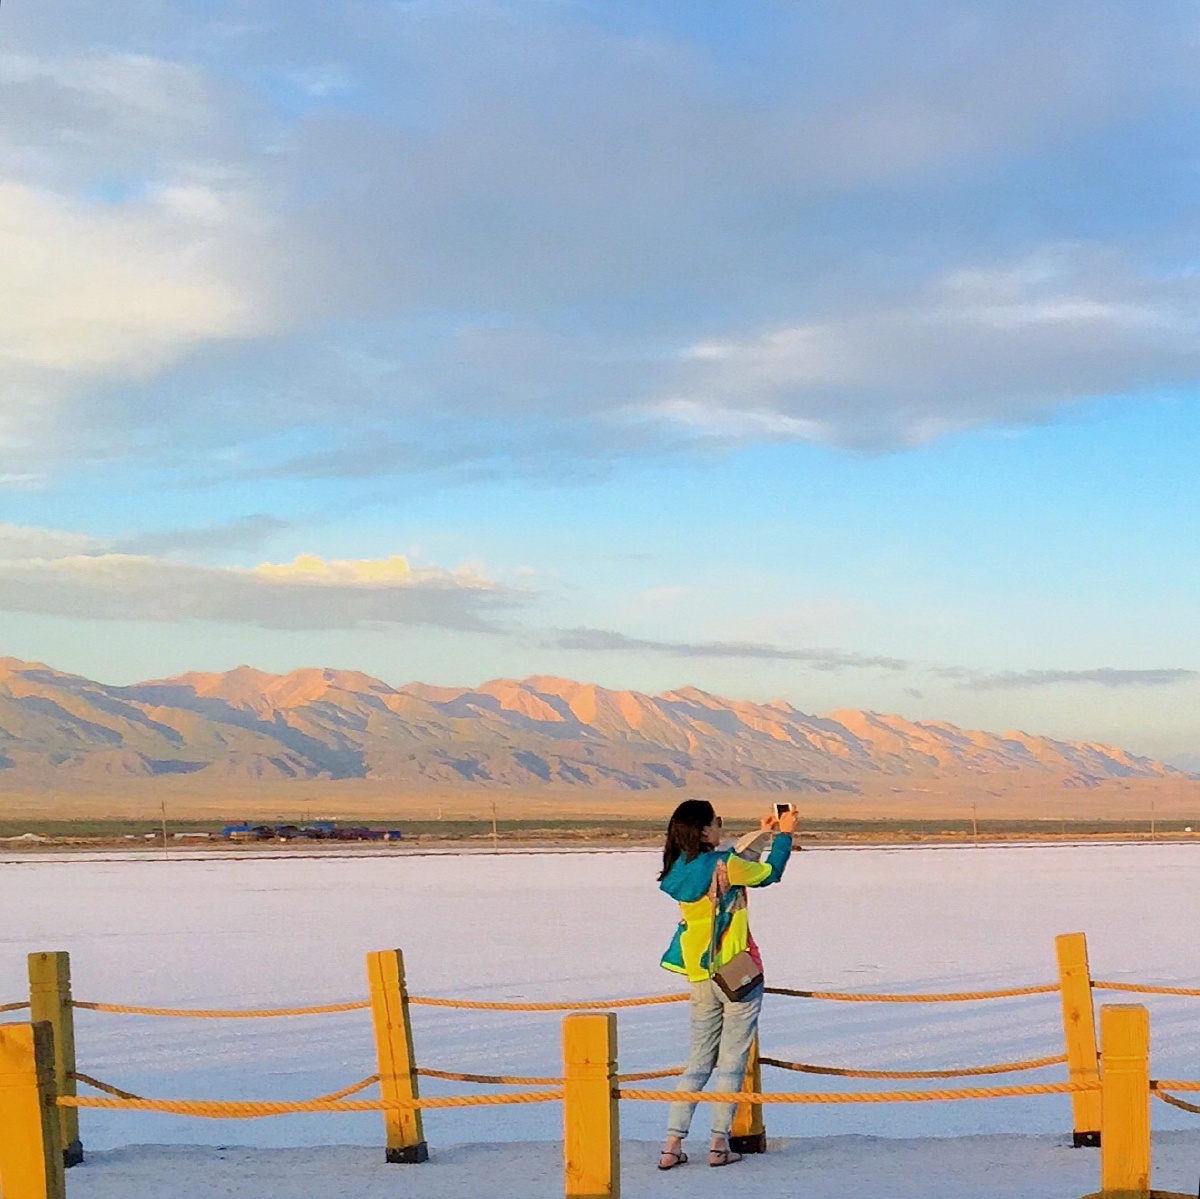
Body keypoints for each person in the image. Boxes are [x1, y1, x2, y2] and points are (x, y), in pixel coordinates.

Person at [655, 798, 796, 1170]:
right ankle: (719, 1145)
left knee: (697, 1062)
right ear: (703, 830)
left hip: (700, 975)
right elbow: (768, 873)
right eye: (717, 822)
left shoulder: (678, 869)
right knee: (731, 1063)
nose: (721, 827)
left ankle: (671, 1145)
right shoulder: (724, 865)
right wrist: (784, 836)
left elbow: (734, 856)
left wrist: (766, 832)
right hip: (736, 973)